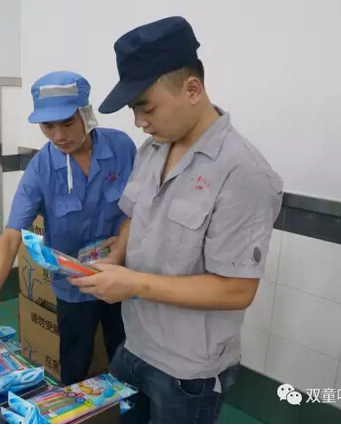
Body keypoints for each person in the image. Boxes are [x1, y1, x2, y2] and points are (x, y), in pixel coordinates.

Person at [69, 17, 283, 423]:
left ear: (192, 89)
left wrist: (133, 283)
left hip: (188, 372)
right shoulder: (152, 150)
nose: (139, 122)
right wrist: (115, 259)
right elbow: (135, 216)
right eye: (134, 110)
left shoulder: (243, 173)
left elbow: (237, 289)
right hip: (135, 344)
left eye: (146, 107)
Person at [0, 70, 137, 386]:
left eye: (67, 122)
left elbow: (139, 210)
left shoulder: (122, 148)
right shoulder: (42, 168)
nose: (58, 136)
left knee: (127, 356)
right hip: (73, 286)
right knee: (75, 361)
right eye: (48, 126)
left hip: (122, 274)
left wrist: (120, 250)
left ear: (86, 113)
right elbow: (11, 236)